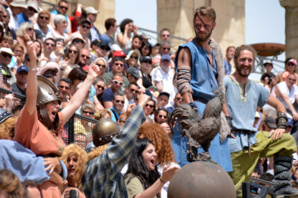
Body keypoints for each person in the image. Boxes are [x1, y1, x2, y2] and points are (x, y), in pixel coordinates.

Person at [13, 41, 100, 197]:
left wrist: (89, 79)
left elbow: (73, 104)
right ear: (40, 105)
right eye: (52, 103)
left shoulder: (54, 124)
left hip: (56, 189)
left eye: (58, 103)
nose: (57, 107)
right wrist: (33, 63)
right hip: (35, 189)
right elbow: (31, 96)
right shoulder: (29, 123)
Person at [224, 45, 297, 197]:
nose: (246, 63)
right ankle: (261, 193)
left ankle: (281, 184)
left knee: (286, 139)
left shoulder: (256, 87)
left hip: (254, 139)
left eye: (250, 60)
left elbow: (278, 105)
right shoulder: (225, 82)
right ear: (236, 60)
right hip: (232, 143)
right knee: (236, 191)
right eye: (243, 59)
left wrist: (281, 126)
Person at [174, 6, 232, 170]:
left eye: (206, 25)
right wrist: (192, 110)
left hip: (215, 112)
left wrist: (227, 119)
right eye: (198, 25)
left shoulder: (215, 52)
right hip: (197, 108)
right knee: (197, 170)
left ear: (213, 25)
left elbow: (220, 89)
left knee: (218, 172)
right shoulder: (187, 49)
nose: (201, 29)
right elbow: (183, 83)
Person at [81, 95, 150, 197]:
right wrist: (140, 106)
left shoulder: (90, 164)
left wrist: (129, 117)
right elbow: (125, 139)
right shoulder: (106, 161)